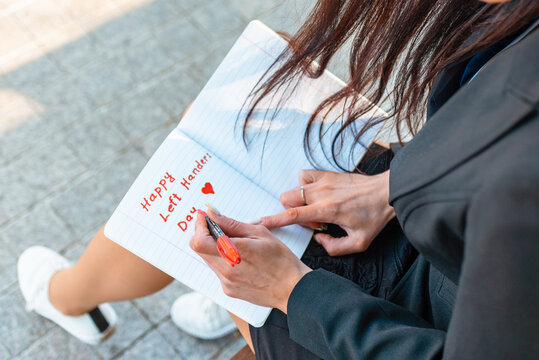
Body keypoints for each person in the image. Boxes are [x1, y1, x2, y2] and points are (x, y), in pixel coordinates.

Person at [17, 0, 538, 359]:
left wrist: (291, 290)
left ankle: (65, 298)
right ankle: (232, 292)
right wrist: (390, 190)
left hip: (387, 327)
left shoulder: (521, 201)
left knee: (188, 212)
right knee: (222, 123)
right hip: (431, 236)